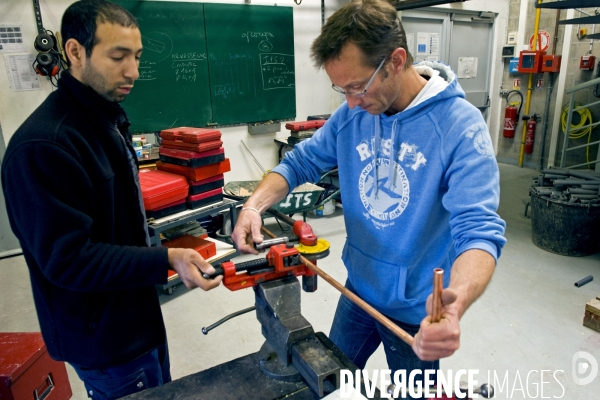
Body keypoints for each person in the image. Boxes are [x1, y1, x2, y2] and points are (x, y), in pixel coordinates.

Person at [232, 0, 506, 393]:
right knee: (326, 382)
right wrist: (253, 206)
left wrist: (454, 303)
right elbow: (300, 163)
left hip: (415, 311)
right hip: (359, 291)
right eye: (341, 89)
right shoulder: (354, 114)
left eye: (358, 86)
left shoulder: (460, 127)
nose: (350, 102)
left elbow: (478, 231)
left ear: (396, 60)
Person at [1, 1, 222, 399]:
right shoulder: (45, 146)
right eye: (118, 57)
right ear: (74, 51)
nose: (133, 72)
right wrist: (166, 258)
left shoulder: (104, 118)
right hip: (104, 342)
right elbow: (69, 259)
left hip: (137, 320)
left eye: (136, 57)